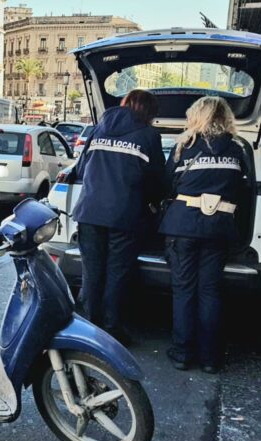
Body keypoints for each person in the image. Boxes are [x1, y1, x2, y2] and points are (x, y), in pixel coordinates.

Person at [64, 89, 165, 344]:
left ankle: (86, 328)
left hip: (89, 211)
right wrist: (154, 203)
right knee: (117, 273)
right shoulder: (149, 135)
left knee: (92, 272)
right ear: (149, 112)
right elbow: (157, 179)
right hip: (125, 216)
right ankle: (111, 328)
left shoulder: (99, 129)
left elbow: (82, 167)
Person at [159, 96, 246, 374]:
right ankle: (210, 358)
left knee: (183, 290)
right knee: (209, 291)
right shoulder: (237, 150)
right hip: (218, 228)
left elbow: (166, 185)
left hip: (182, 226)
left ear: (196, 117)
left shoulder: (184, 147)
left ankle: (182, 353)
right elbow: (242, 189)